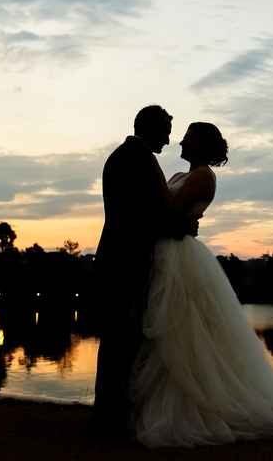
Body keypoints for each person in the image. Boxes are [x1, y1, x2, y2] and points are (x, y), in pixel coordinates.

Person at [130, 122, 273, 447]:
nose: (181, 143)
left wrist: (153, 168)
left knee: (183, 331)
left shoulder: (204, 176)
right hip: (162, 254)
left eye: (187, 138)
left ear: (201, 145)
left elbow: (171, 210)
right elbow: (162, 211)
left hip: (180, 260)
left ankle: (189, 411)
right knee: (166, 334)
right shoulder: (176, 176)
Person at [90, 105, 196, 440]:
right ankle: (110, 426)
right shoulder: (137, 158)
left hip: (116, 260)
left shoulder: (121, 156)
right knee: (122, 344)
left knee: (117, 345)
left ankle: (107, 420)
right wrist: (184, 226)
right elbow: (144, 216)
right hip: (127, 263)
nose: (168, 139)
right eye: (164, 131)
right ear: (149, 127)